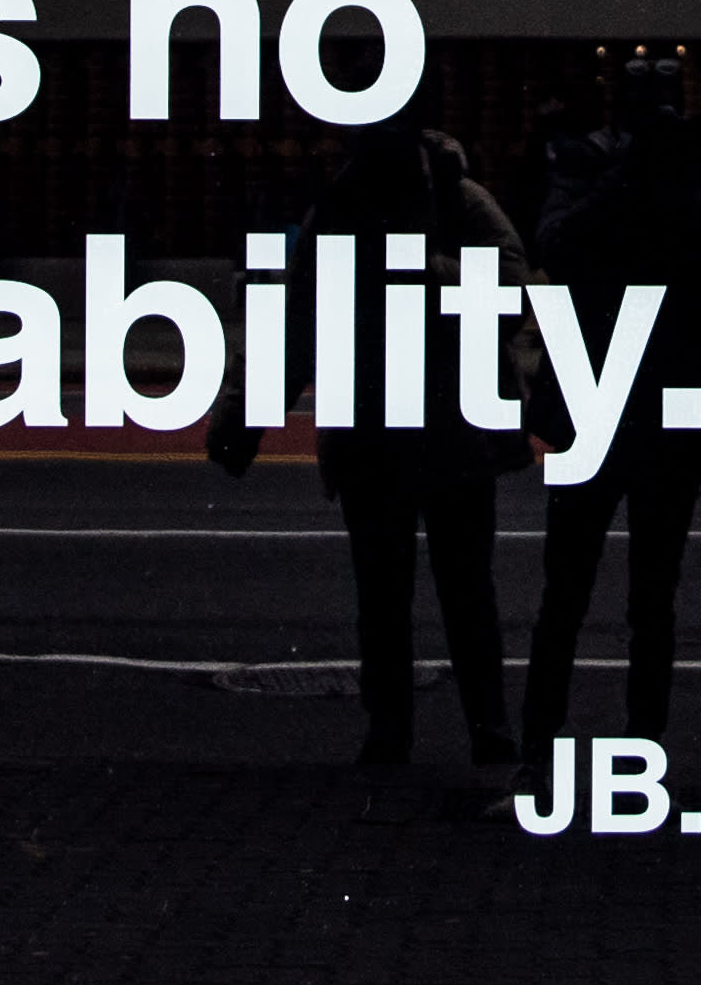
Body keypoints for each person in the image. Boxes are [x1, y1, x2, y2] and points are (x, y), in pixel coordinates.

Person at [523, 50, 701, 754]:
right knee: (567, 591)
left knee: (649, 595)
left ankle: (640, 740)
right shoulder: (589, 163)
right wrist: (628, 179)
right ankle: (540, 743)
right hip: (600, 396)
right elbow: (555, 245)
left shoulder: (699, 175)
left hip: (662, 401)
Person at [209, 113, 522, 767]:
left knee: (431, 592)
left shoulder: (440, 198)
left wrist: (243, 417)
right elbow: (297, 321)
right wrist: (243, 415)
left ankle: (456, 726)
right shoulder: (382, 204)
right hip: (406, 427)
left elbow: (513, 290)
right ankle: (419, 727)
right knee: (415, 594)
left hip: (421, 424)